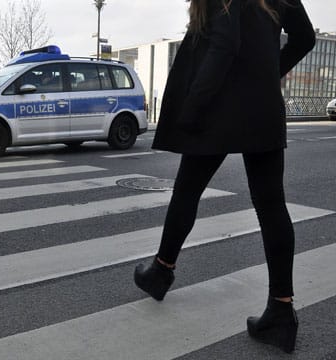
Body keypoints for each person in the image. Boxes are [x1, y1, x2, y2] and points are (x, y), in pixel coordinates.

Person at [133, 0, 315, 354]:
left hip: (218, 107)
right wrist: (267, 73)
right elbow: (305, 37)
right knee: (271, 204)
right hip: (261, 108)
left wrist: (192, 106)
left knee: (187, 190)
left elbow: (224, 45)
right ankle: (281, 309)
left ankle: (161, 271)